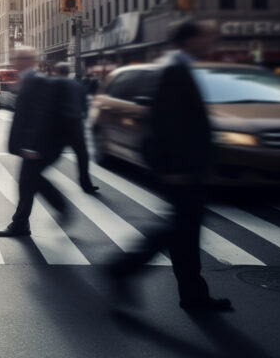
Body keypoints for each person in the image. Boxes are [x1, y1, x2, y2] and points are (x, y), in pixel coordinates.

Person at [107, 21, 232, 312]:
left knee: (183, 234)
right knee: (177, 230)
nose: (211, 41)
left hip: (186, 167)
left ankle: (193, 295)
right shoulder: (175, 69)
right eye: (206, 36)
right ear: (190, 40)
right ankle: (122, 269)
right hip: (181, 169)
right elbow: (166, 123)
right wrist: (174, 168)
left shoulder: (179, 67)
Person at [0, 47, 68, 238]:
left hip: (38, 146)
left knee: (29, 181)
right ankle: (23, 222)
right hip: (33, 145)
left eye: (17, 58)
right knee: (30, 182)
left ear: (28, 61)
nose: (13, 62)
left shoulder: (36, 81)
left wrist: (32, 146)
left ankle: (26, 221)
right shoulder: (28, 80)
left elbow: (40, 116)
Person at [52, 62, 99, 194]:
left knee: (50, 157)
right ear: (68, 72)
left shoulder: (55, 84)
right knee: (82, 156)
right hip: (76, 126)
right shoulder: (77, 85)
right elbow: (84, 106)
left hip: (61, 127)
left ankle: (34, 176)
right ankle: (86, 185)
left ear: (58, 72)